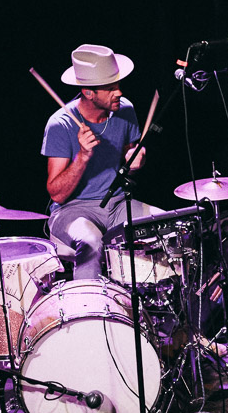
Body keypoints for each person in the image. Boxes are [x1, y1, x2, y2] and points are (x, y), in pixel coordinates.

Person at [41, 44, 152, 280]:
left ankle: (164, 310)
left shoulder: (125, 110)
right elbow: (57, 195)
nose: (119, 93)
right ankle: (86, 311)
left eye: (118, 86)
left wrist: (135, 162)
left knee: (168, 229)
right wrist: (82, 156)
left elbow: (129, 158)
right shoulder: (60, 124)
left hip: (118, 203)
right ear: (89, 93)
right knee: (91, 242)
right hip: (72, 210)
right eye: (111, 89)